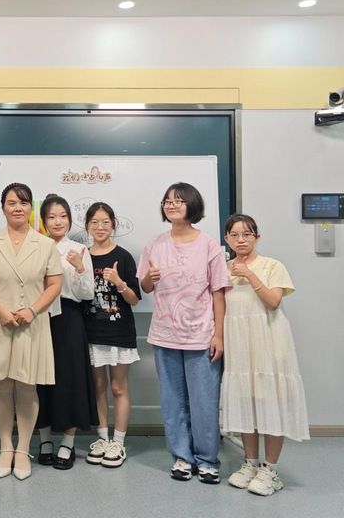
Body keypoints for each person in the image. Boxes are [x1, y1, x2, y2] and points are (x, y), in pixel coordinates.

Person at [138, 182, 231, 484]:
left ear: (192, 205)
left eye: (179, 200)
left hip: (201, 335)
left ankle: (207, 460)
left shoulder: (209, 245)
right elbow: (145, 287)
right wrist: (149, 278)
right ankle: (181, 457)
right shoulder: (155, 244)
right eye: (167, 201)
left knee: (204, 402)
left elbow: (218, 293)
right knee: (173, 401)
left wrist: (219, 335)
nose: (172, 205)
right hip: (165, 334)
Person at [0, 183, 62, 481]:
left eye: (24, 203)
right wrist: (0, 311)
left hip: (31, 322)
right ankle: (6, 448)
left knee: (27, 386)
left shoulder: (45, 244)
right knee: (1, 386)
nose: (18, 208)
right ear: (3, 208)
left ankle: (23, 449)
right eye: (12, 203)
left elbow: (54, 285)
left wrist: (32, 310)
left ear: (31, 208)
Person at [221, 214, 309, 496]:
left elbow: (273, 302)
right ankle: (250, 463)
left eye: (247, 234)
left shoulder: (272, 265)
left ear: (257, 237)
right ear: (226, 239)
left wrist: (249, 274)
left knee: (272, 403)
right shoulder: (223, 269)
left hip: (270, 344)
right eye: (234, 235)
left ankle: (270, 470)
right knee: (247, 403)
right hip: (240, 347)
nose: (241, 240)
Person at [35, 195, 97, 470]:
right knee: (39, 379)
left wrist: (80, 268)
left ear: (70, 220)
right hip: (40, 316)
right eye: (51, 217)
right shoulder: (37, 246)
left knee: (69, 379)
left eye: (63, 216)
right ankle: (44, 439)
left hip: (69, 318)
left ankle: (68, 442)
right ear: (44, 221)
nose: (58, 221)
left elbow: (87, 294)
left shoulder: (79, 249)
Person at [83, 202, 141, 469]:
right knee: (98, 387)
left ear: (113, 225)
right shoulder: (82, 256)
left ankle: (118, 442)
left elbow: (134, 299)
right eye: (94, 222)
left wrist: (119, 282)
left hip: (119, 332)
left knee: (119, 387)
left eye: (105, 222)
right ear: (87, 226)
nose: (100, 227)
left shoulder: (124, 257)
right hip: (91, 332)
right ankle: (102, 439)